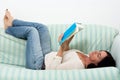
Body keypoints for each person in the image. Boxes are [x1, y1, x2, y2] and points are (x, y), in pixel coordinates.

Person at [4, 10, 116, 70]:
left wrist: (61, 49)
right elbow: (67, 54)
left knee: (32, 31)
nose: (96, 52)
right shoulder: (85, 55)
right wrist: (67, 42)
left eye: (99, 55)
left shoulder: (78, 66)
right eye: (99, 51)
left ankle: (8, 29)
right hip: (46, 56)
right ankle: (13, 22)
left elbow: (53, 69)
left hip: (38, 65)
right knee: (42, 28)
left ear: (97, 65)